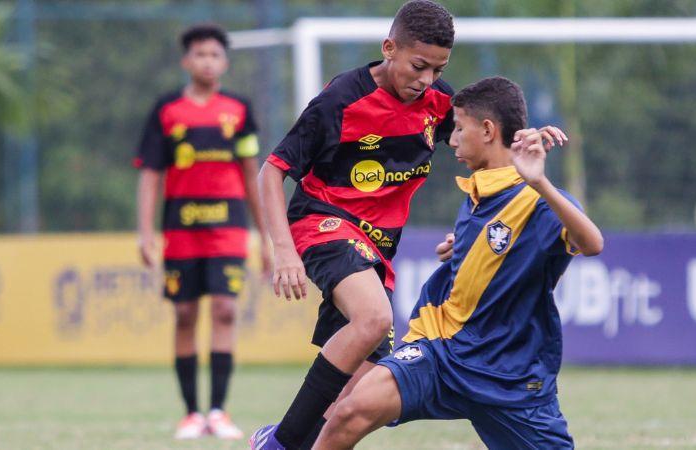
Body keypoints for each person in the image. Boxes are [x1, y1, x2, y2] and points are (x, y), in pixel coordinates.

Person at [250, 2, 566, 448]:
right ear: (389, 49)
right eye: (419, 67)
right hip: (323, 221)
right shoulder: (341, 100)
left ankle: (283, 440)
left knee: (355, 396)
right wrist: (283, 251)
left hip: (377, 250)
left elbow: (485, 145)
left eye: (438, 70)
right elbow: (272, 171)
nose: (427, 80)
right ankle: (279, 444)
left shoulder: (439, 103)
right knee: (374, 318)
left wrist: (522, 143)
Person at [311, 76, 604, 450]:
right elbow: (495, 248)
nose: (451, 140)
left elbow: (592, 243)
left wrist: (541, 183)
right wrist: (463, 249)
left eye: (460, 128)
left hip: (508, 377)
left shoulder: (537, 200)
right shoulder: (479, 191)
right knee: (350, 412)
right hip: (442, 353)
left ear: (488, 130)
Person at [134, 24, 271, 440]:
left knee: (225, 310)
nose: (207, 61)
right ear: (186, 61)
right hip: (181, 228)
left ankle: (218, 412)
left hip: (228, 227)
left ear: (224, 63)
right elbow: (150, 175)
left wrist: (265, 236)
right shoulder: (167, 110)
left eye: (214, 55)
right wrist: (145, 231)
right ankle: (191, 414)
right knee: (184, 314)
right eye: (199, 54)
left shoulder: (239, 110)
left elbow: (250, 174)